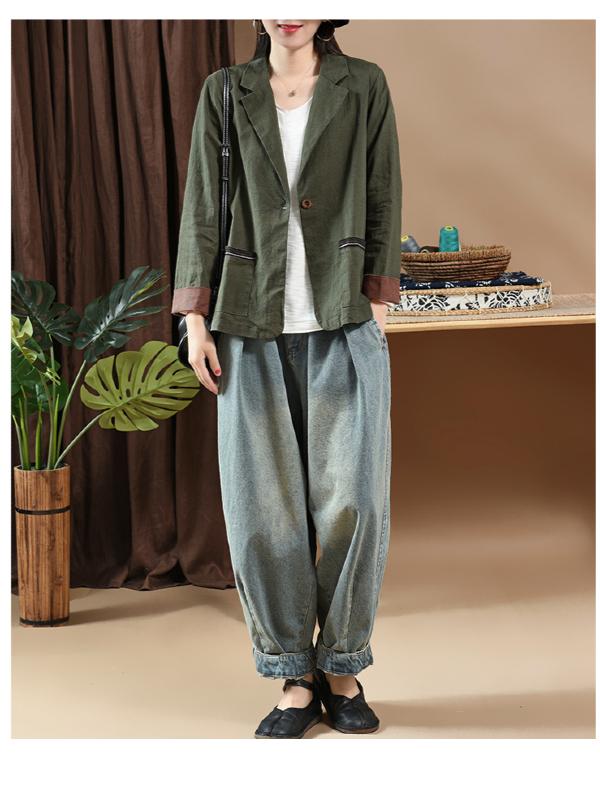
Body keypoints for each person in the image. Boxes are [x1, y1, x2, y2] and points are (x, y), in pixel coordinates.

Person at [171, 19, 402, 738]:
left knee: (355, 507)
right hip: (248, 323)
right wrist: (195, 319)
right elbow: (202, 206)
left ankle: (343, 665)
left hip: (342, 318)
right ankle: (294, 676)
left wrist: (377, 303)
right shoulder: (225, 91)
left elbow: (383, 188)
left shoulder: (363, 85)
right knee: (263, 513)